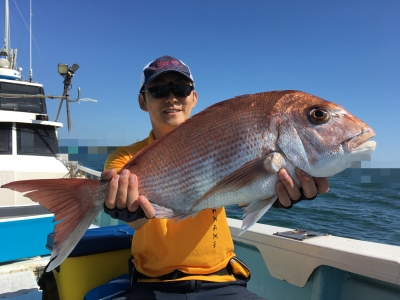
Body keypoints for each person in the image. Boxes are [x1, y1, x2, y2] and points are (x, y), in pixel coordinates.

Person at [101, 55, 329, 299]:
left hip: (221, 280)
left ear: (194, 97)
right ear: (142, 101)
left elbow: (243, 193)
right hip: (152, 283)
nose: (171, 98)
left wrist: (274, 191)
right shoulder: (126, 159)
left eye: (181, 89)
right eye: (158, 90)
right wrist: (127, 210)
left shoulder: (221, 142)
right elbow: (136, 223)